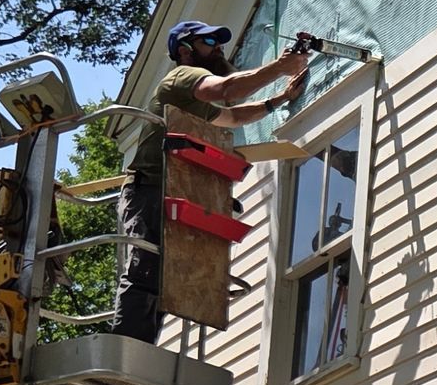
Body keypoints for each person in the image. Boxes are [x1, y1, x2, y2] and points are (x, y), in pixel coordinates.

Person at [113, 21, 310, 342]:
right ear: (185, 51)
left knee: (164, 281)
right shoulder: (180, 76)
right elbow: (228, 91)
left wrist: (279, 99)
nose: (218, 48)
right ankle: (122, 355)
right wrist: (280, 67)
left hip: (166, 195)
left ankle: (138, 353)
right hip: (148, 188)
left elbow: (232, 117)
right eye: (208, 41)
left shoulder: (192, 104)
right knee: (146, 268)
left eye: (219, 42)